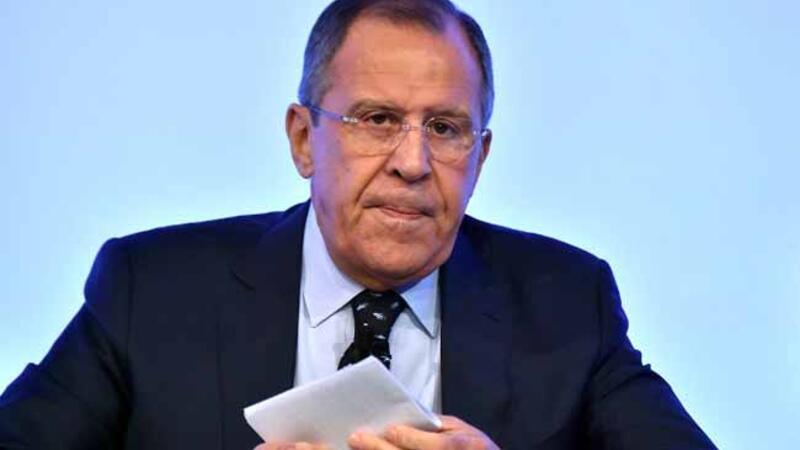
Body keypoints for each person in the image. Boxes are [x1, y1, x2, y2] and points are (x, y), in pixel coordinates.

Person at [0, 0, 717, 449]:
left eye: (445, 128)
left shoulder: (568, 302)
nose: (412, 162)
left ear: (480, 157)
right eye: (376, 119)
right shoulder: (152, 291)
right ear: (303, 140)